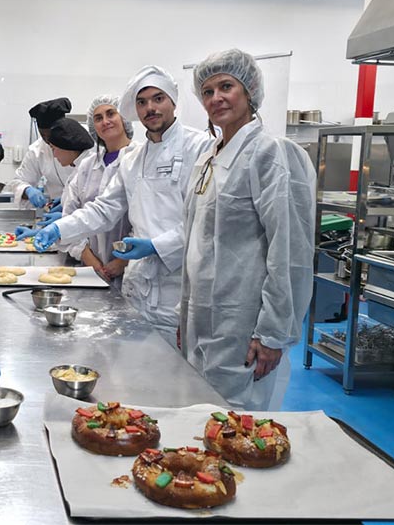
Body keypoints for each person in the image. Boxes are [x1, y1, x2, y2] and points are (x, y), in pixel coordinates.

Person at [34, 66, 211, 346]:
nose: (150, 108)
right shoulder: (133, 159)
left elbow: (204, 223)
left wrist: (156, 246)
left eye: (158, 98)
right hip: (137, 285)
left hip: (177, 290)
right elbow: (104, 209)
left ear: (173, 101)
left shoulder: (200, 148)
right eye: (142, 102)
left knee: (173, 378)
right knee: (132, 372)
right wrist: (59, 227)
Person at [181, 49, 315, 411]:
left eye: (227, 86)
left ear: (250, 92)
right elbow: (198, 244)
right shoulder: (210, 157)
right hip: (202, 323)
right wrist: (185, 318)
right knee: (201, 419)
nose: (216, 98)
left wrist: (273, 332)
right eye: (207, 92)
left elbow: (290, 250)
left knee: (237, 425)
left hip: (242, 325)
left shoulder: (271, 153)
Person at [57, 94, 137, 284]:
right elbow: (70, 215)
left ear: (124, 117)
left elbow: (148, 219)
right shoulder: (86, 166)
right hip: (92, 269)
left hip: (134, 270)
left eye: (111, 114)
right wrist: (89, 258)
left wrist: (122, 261)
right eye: (98, 118)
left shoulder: (141, 159)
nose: (105, 121)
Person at [9, 97, 83, 209]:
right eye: (44, 136)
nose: (48, 141)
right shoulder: (37, 150)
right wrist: (28, 190)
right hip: (56, 209)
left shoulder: (83, 141)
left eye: (53, 135)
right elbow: (18, 182)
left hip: (85, 209)